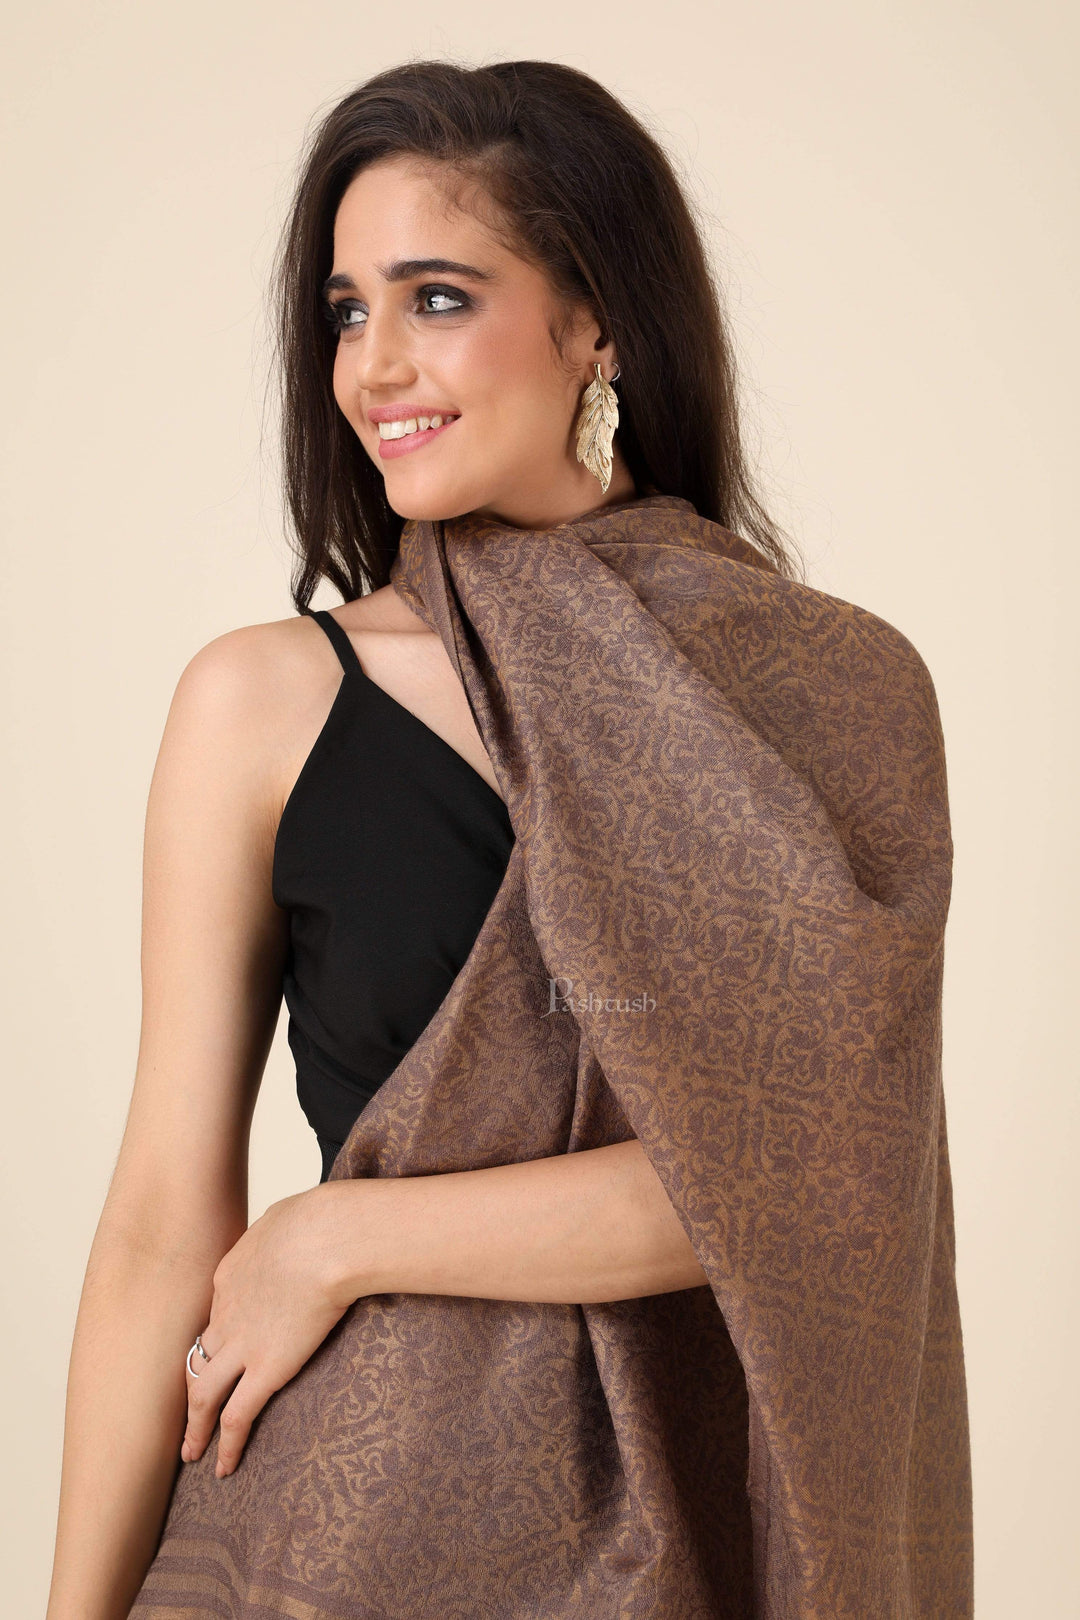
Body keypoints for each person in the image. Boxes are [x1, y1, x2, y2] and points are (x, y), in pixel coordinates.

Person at [46, 59, 969, 1620]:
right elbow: (158, 1222)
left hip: (683, 1550)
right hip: (325, 1548)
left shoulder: (834, 700)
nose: (375, 365)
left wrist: (339, 1235)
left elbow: (809, 1179)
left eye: (438, 298)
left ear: (596, 319)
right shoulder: (262, 704)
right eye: (346, 312)